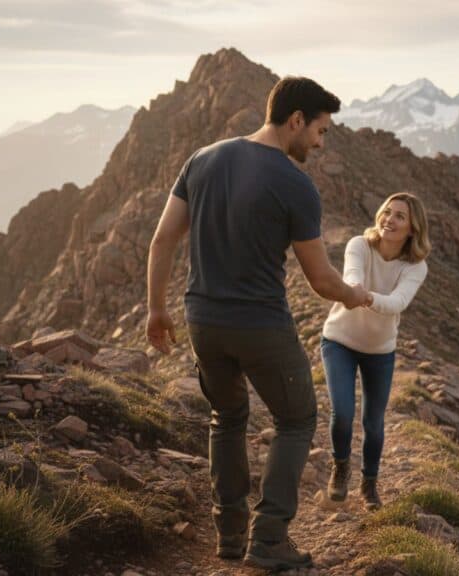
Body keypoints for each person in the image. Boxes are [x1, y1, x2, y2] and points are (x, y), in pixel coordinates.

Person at [145, 76, 371, 571]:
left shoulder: (202, 159)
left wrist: (156, 308)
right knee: (297, 419)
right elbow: (321, 280)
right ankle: (268, 539)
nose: (320, 142)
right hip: (260, 325)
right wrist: (355, 296)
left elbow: (162, 240)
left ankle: (229, 536)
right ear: (296, 120)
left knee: (226, 417)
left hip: (202, 319)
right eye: (320, 130)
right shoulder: (295, 184)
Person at [320, 192, 430, 510]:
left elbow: (397, 303)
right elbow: (352, 275)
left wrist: (364, 297)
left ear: (412, 229)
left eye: (399, 216)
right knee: (342, 413)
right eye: (387, 212)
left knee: (373, 423)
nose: (389, 220)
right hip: (339, 340)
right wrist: (355, 289)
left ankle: (369, 485)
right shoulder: (359, 244)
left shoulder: (415, 267)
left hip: (380, 350)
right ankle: (340, 467)